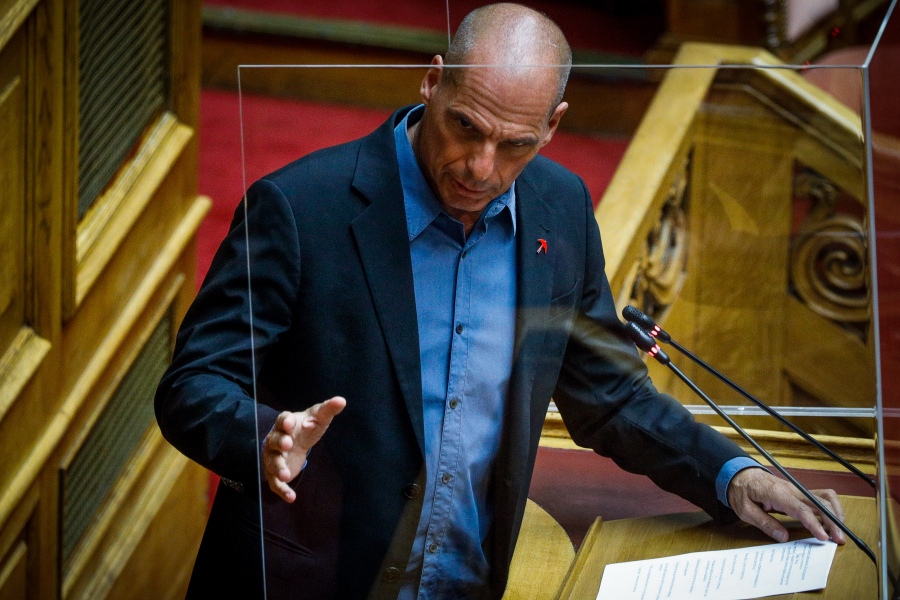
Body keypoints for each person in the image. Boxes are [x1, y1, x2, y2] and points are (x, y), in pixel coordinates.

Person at [155, 4, 845, 599]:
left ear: (553, 125)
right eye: (465, 127)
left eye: (515, 144)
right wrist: (265, 436)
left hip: (471, 579)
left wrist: (732, 475)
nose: (481, 168)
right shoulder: (300, 208)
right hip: (312, 579)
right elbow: (192, 383)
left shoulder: (561, 208)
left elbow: (610, 395)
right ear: (433, 82)